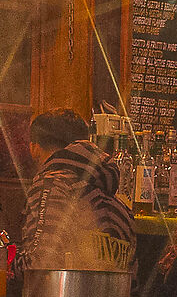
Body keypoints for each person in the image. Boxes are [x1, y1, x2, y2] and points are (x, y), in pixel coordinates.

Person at [19, 111, 135, 273]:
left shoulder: (51, 184)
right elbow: (132, 284)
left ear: (35, 148)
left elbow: (40, 264)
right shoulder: (120, 206)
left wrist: (9, 265)